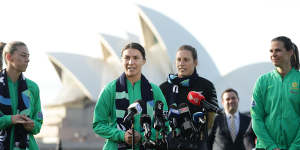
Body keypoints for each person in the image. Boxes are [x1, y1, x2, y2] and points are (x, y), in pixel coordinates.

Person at [93, 42, 168, 150]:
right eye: (127, 58)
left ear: (144, 61)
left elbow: (165, 124)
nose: (131, 62)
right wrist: (121, 135)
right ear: (121, 60)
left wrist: (143, 136)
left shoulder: (155, 91)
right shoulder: (110, 90)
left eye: (136, 58)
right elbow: (98, 124)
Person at [160, 45, 219, 150]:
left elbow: (212, 120)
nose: (181, 63)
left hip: (197, 143)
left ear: (195, 62)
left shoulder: (207, 86)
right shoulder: (164, 87)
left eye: (186, 60)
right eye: (178, 60)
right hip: (170, 143)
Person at [251, 36, 300, 150]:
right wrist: (271, 147)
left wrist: (295, 147)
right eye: (271, 51)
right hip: (266, 147)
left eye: (278, 50)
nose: (273, 54)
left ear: (290, 52)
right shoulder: (262, 81)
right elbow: (256, 117)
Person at [0, 41, 43, 150]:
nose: (27, 59)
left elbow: (38, 122)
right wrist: (10, 119)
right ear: (9, 57)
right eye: (23, 56)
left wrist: (32, 125)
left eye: (28, 56)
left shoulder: (33, 87)